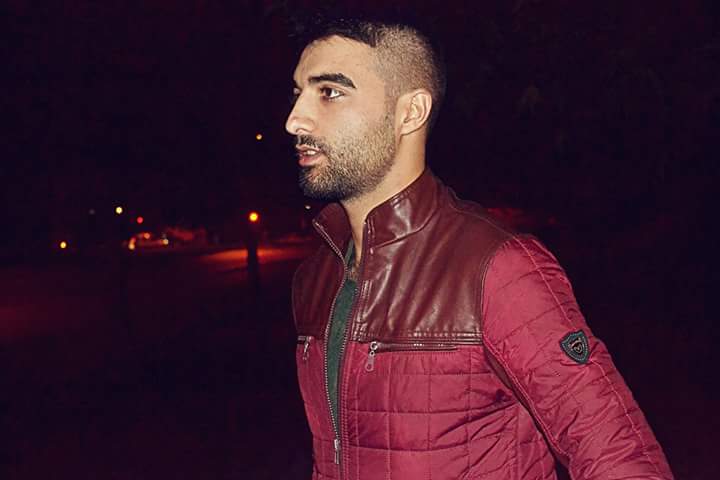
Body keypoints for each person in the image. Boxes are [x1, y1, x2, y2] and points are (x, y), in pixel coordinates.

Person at [286, 17, 673, 480]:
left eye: (329, 92)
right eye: (298, 93)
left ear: (410, 113)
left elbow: (618, 456)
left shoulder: (496, 267)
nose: (295, 120)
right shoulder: (316, 277)